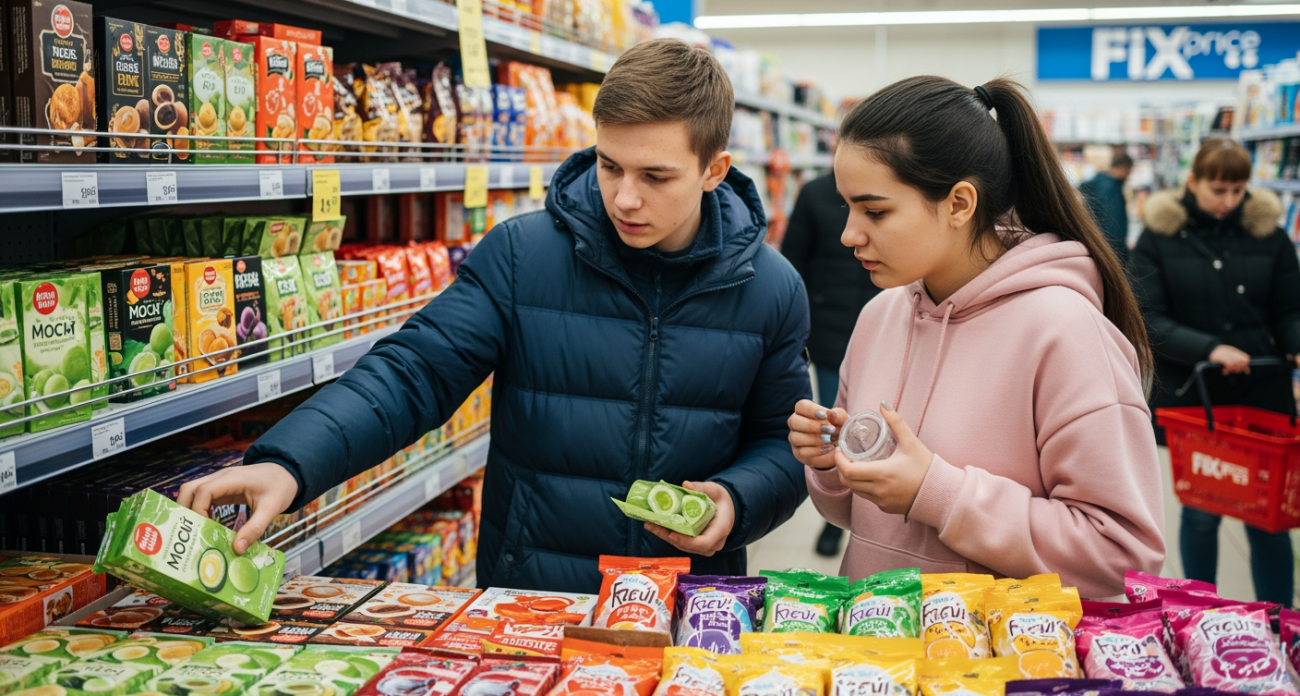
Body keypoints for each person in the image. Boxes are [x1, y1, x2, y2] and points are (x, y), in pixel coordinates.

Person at [177, 39, 812, 592]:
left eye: (655, 175)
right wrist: (290, 462)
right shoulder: (522, 255)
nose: (623, 196)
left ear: (714, 170)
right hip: (531, 605)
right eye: (609, 165)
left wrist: (735, 500)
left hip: (687, 607)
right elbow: (413, 372)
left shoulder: (771, 289)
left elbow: (781, 447)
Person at [786, 76, 1166, 598]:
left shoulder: (1065, 332)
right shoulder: (879, 316)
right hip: (876, 653)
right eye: (848, 207)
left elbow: (1121, 554)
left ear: (960, 203)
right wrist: (833, 463)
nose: (849, 233)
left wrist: (938, 494)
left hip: (995, 665)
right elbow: (859, 515)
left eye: (874, 211)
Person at [1129, 136, 1299, 606]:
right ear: (1193, 182)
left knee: (1269, 517)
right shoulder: (1158, 237)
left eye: (1237, 190)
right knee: (1203, 511)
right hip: (1196, 398)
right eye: (1217, 190)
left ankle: (1279, 620)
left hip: (1260, 396)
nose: (1228, 201)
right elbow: (1149, 317)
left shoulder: (1270, 235)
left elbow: (1289, 309)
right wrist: (1210, 348)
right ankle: (1198, 612)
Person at [780, 165, 883, 558]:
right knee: (836, 426)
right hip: (830, 333)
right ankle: (834, 519)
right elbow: (794, 262)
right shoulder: (814, 193)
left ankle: (873, 512)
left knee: (881, 424)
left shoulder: (893, 195)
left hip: (881, 324)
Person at [1079, 152, 1134, 261]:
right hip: (1110, 253)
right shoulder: (1110, 189)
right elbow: (1113, 225)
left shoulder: (1100, 182)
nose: (1128, 176)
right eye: (1128, 171)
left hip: (1097, 247)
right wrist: (1121, 257)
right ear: (1123, 168)